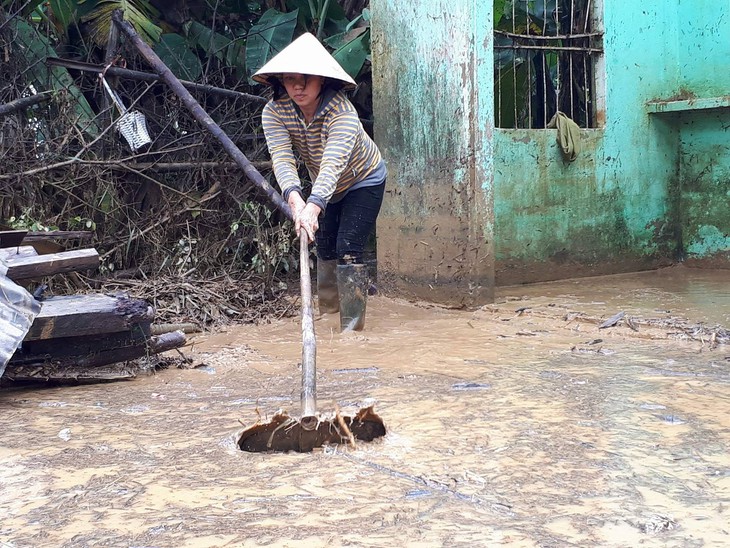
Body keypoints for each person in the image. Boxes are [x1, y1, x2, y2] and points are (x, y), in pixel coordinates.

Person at [253, 33, 386, 332]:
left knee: (348, 247)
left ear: (322, 80)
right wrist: (295, 199)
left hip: (364, 178)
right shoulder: (274, 112)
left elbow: (333, 163)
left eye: (305, 79)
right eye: (289, 79)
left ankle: (352, 330)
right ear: (280, 82)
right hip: (325, 187)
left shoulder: (342, 113)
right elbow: (282, 157)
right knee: (324, 248)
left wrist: (313, 206)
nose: (297, 87)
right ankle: (328, 318)